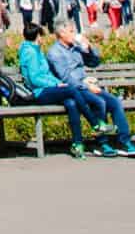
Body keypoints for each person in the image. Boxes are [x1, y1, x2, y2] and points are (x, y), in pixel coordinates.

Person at [47, 19, 135, 158]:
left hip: (86, 86)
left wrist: (88, 47)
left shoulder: (75, 47)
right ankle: (101, 143)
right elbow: (66, 78)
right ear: (61, 33)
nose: (75, 34)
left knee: (114, 102)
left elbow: (94, 63)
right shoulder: (55, 53)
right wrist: (86, 86)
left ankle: (124, 141)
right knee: (99, 102)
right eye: (72, 31)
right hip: (72, 90)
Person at [18, 27, 93, 158]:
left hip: (47, 89)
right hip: (38, 92)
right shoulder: (30, 52)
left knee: (71, 103)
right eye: (41, 36)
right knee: (71, 89)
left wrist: (58, 83)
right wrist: (56, 84)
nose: (42, 39)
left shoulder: (37, 51)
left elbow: (47, 74)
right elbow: (35, 78)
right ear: (37, 37)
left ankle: (78, 144)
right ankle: (94, 123)